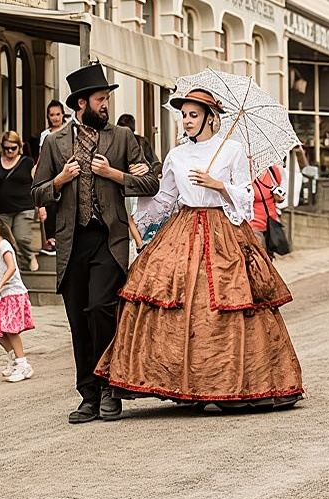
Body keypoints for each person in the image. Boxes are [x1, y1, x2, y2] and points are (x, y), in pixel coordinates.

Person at [97, 88, 304, 410]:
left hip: (223, 229)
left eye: (193, 115)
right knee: (168, 297)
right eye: (184, 115)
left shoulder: (233, 150)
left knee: (227, 301)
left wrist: (220, 186)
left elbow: (246, 199)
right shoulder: (176, 155)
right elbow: (164, 198)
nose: (187, 121)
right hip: (183, 226)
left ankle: (228, 385)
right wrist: (135, 210)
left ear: (210, 117)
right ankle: (180, 385)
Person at [32, 62, 159, 424]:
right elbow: (36, 194)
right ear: (81, 104)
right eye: (101, 99)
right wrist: (59, 180)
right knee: (77, 319)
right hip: (72, 243)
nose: (106, 105)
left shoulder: (122, 138)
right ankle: (87, 394)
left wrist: (114, 174)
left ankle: (109, 388)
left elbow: (151, 181)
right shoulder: (55, 144)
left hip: (108, 239)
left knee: (102, 309)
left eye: (107, 99)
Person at [0, 216, 36, 382]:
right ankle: (14, 359)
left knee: (11, 330)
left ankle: (23, 364)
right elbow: (1, 272)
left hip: (12, 293)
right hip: (2, 295)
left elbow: (12, 268)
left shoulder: (4, 246)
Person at [0, 130, 44, 272]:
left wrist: (41, 205)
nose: (10, 151)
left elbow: (37, 183)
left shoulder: (27, 162)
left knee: (21, 237)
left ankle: (29, 256)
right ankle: (14, 267)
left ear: (19, 146)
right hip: (2, 208)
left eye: (13, 148)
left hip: (24, 206)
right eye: (6, 148)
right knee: (6, 241)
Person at [38, 100, 69, 257]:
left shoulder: (70, 130)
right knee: (50, 204)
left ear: (63, 114)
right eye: (52, 115)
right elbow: (41, 157)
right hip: (50, 174)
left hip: (67, 171)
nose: (55, 117)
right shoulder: (45, 135)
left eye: (58, 114)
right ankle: (51, 240)